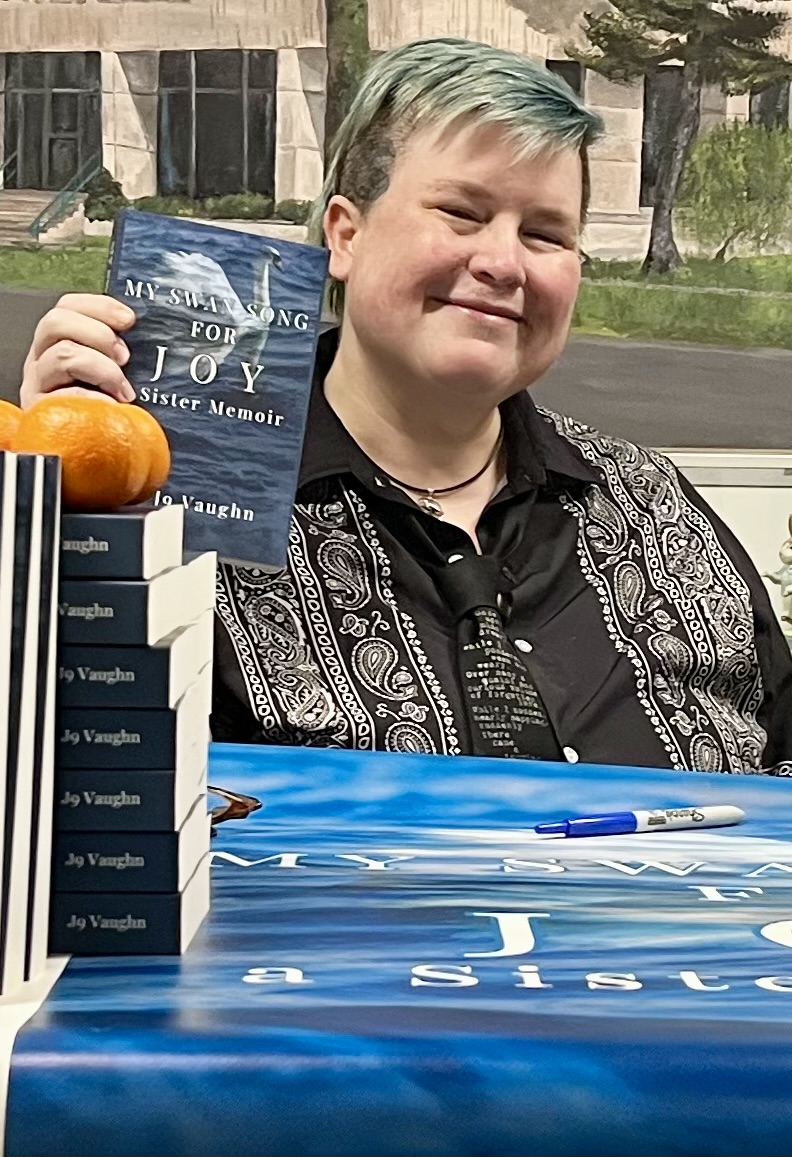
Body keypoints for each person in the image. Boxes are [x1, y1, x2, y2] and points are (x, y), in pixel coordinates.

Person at [19, 38, 792, 774]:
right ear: (345, 236)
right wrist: (45, 511)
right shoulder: (168, 504)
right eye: (461, 211)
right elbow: (63, 787)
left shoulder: (656, 507)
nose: (501, 262)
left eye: (547, 233)